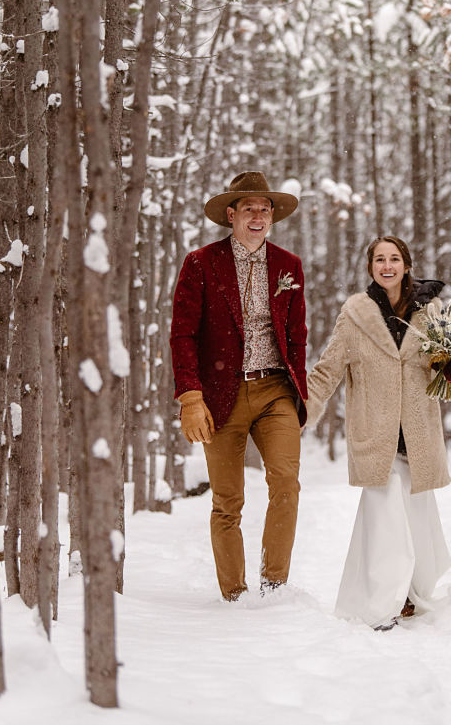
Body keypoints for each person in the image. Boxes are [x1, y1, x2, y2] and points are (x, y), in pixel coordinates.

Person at [305, 235, 451, 630]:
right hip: (375, 434)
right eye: (379, 259)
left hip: (416, 434)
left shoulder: (431, 312)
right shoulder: (355, 314)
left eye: (394, 258)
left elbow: (442, 377)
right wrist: (302, 408)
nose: (387, 265)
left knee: (415, 520)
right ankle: (381, 605)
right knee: (384, 523)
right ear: (370, 267)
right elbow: (329, 368)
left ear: (407, 265)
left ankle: (411, 595)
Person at [170, 171, 307, 601]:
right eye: (249, 208)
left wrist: (300, 394)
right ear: (231, 215)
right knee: (227, 500)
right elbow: (182, 335)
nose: (259, 216)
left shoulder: (289, 266)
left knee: (285, 482)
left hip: (275, 391)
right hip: (219, 396)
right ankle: (235, 594)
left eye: (265, 210)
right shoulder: (201, 262)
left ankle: (274, 586)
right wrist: (191, 397)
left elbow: (298, 335)